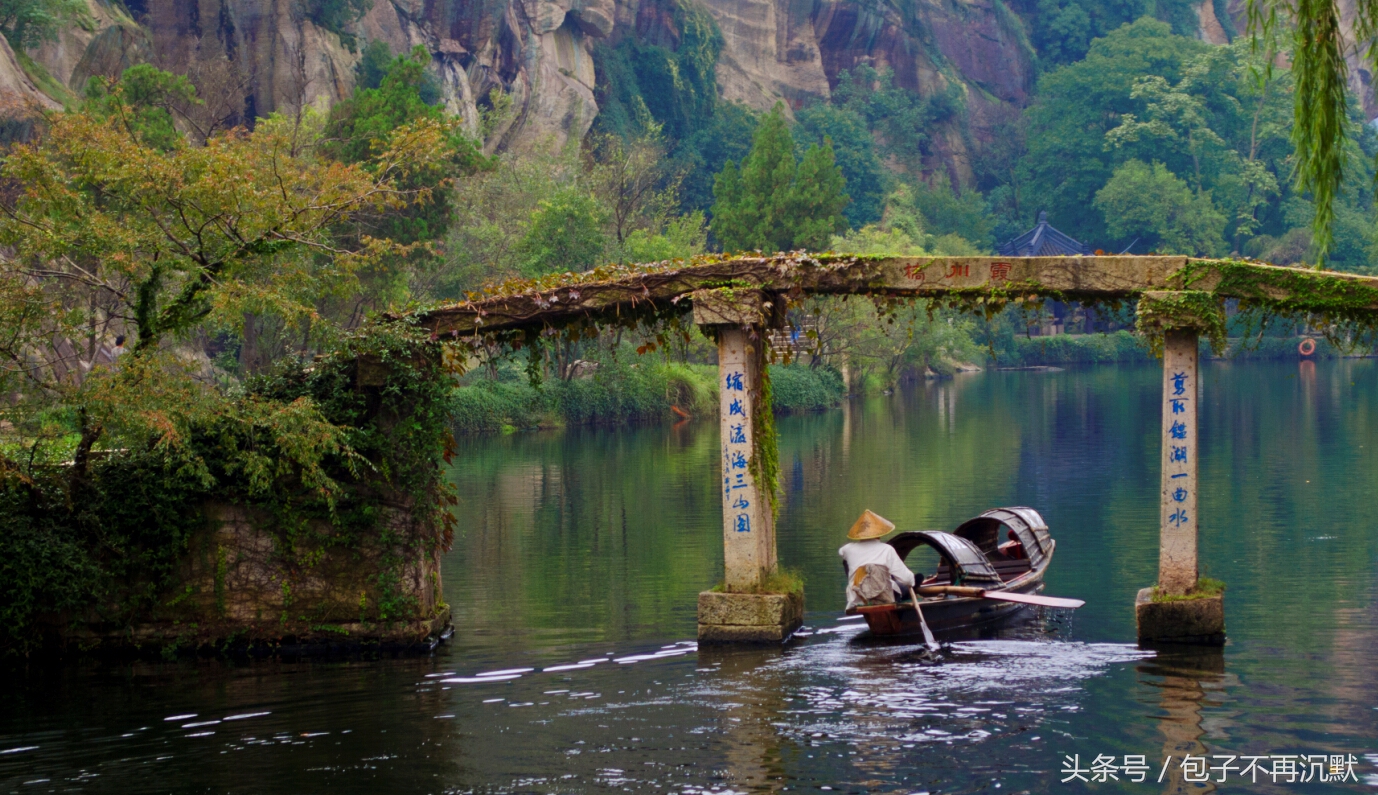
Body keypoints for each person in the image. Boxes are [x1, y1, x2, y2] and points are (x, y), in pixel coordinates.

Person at [838, 509, 916, 610]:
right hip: (882, 596)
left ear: (859, 534)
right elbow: (906, 579)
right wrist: (912, 582)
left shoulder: (848, 549)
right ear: (879, 534)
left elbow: (841, 552)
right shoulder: (886, 549)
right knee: (917, 578)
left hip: (858, 598)